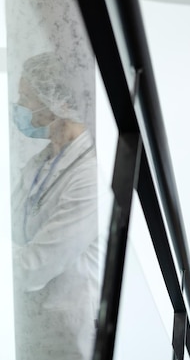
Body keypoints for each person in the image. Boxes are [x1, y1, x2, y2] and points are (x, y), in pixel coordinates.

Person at [11, 52, 99, 360]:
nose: (18, 106)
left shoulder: (89, 174)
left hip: (69, 329)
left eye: (25, 96)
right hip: (28, 321)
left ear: (55, 103)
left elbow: (39, 264)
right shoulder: (40, 162)